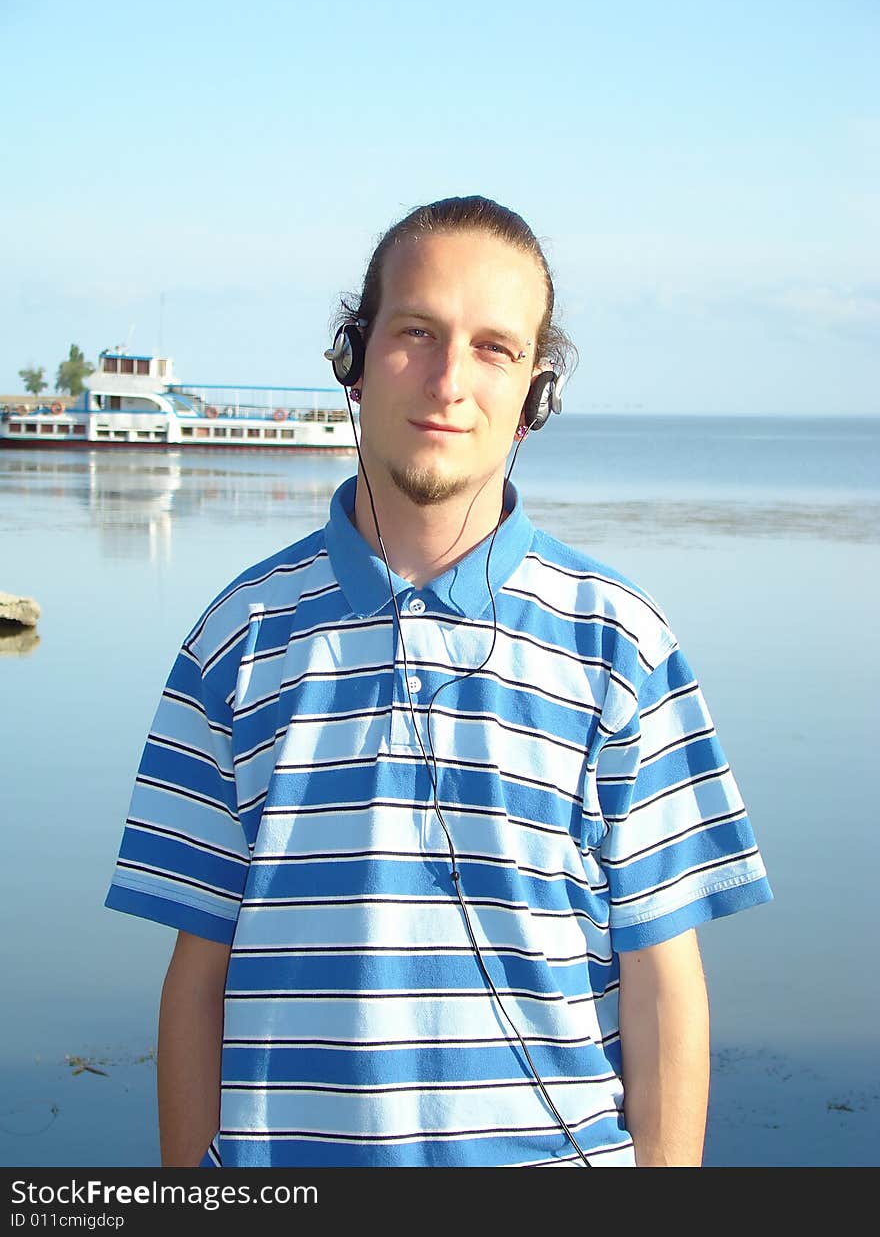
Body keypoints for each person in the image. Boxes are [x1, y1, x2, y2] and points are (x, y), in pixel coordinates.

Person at [105, 195, 772, 1169]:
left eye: (494, 348)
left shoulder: (621, 644)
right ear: (354, 356)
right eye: (416, 332)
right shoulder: (235, 641)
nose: (449, 379)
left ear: (533, 397)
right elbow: (196, 976)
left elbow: (662, 977)